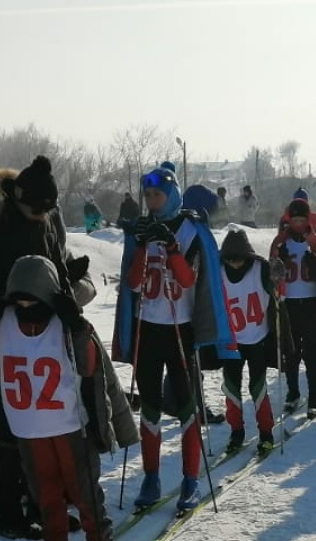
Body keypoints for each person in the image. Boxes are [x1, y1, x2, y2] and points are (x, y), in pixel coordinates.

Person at [0, 156, 98, 539]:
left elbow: (51, 265)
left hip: (42, 330)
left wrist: (69, 278)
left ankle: (41, 504)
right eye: (36, 210)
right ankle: (8, 513)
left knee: (43, 422)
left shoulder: (44, 218)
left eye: (48, 211)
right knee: (9, 423)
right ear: (18, 199)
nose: (42, 217)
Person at [0, 256, 135, 541]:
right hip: (28, 428)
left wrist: (77, 326)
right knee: (45, 494)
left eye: (32, 301)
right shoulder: (2, 322)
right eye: (19, 302)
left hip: (69, 426)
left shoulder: (64, 322)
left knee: (83, 489)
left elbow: (88, 366)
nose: (25, 307)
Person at [115, 161, 236, 512]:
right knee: (150, 407)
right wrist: (140, 245)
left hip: (180, 328)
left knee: (186, 406)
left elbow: (187, 280)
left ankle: (190, 479)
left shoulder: (190, 229)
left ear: (171, 195)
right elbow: (133, 283)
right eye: (148, 195)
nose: (151, 200)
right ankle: (151, 477)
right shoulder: (141, 228)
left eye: (157, 194)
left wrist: (170, 247)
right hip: (148, 328)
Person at [269, 197, 316, 419]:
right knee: (291, 353)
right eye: (295, 220)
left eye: (302, 220)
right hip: (288, 302)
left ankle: (314, 396)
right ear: (289, 220)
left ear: (308, 219)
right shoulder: (280, 242)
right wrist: (278, 264)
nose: (298, 225)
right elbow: (271, 277)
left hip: (311, 302)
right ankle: (293, 393)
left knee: (311, 351)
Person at [216, 228, 280, 454]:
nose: (235, 264)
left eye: (239, 259)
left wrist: (277, 278)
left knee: (258, 386)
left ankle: (266, 433)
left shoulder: (259, 269)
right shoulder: (218, 271)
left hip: (257, 338)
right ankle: (236, 432)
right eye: (230, 259)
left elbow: (276, 290)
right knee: (231, 388)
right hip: (231, 341)